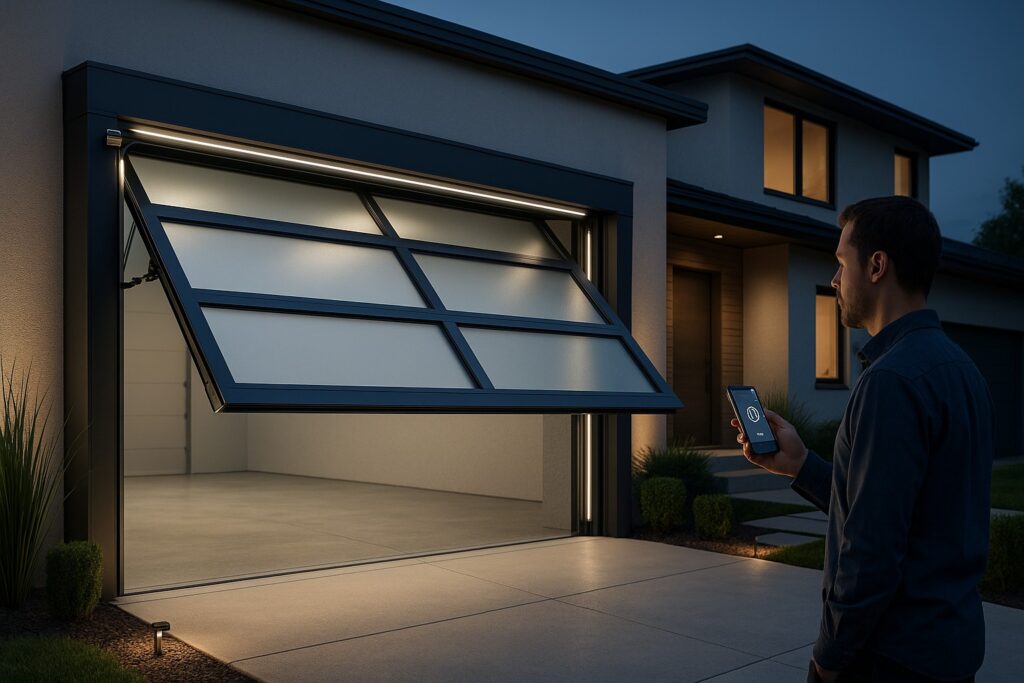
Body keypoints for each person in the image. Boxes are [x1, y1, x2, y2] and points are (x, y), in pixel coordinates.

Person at [732, 196, 994, 683]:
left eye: (840, 263)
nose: (834, 280)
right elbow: (901, 509)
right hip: (949, 647)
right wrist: (800, 464)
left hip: (891, 658)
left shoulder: (890, 382)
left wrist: (829, 659)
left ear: (876, 266)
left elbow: (870, 550)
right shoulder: (962, 370)